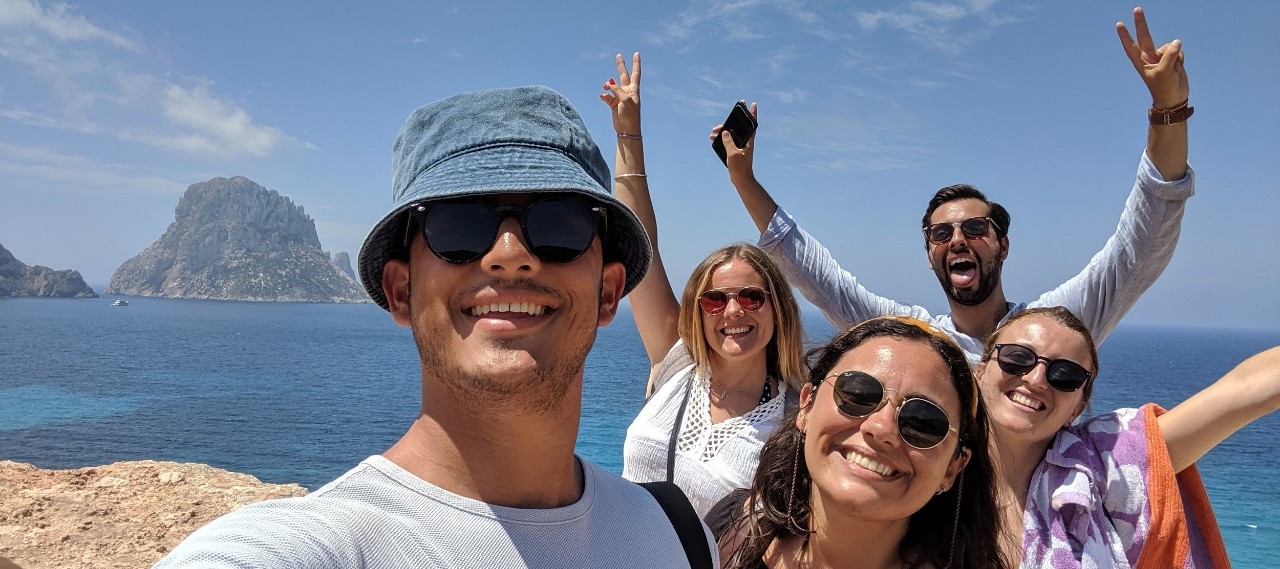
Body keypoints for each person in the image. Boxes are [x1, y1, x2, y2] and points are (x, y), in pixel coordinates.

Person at [154, 86, 718, 567]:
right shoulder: (314, 548)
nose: (509, 253)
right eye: (457, 224)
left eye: (560, 223)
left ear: (608, 292)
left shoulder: (680, 538)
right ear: (401, 292)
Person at [713, 7, 1193, 361]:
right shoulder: (921, 340)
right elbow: (820, 279)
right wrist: (744, 180)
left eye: (975, 229)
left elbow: (1141, 245)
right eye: (941, 234)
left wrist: (1167, 111)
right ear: (929, 254)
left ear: (1002, 245)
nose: (958, 239)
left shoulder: (1054, 325)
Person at [600, 52, 809, 517]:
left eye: (752, 296)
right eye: (715, 299)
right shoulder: (676, 364)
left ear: (778, 309)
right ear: (699, 311)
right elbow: (638, 238)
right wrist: (627, 134)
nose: (733, 311)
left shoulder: (797, 418)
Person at [977, 306, 1280, 566]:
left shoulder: (1110, 466)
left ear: (1076, 409)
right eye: (1017, 358)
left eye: (1065, 375)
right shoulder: (935, 465)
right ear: (981, 370)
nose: (1036, 379)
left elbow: (1245, 389)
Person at [707, 317, 1008, 569]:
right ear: (807, 407)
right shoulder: (730, 529)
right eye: (858, 393)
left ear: (954, 466)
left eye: (923, 421)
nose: (881, 427)